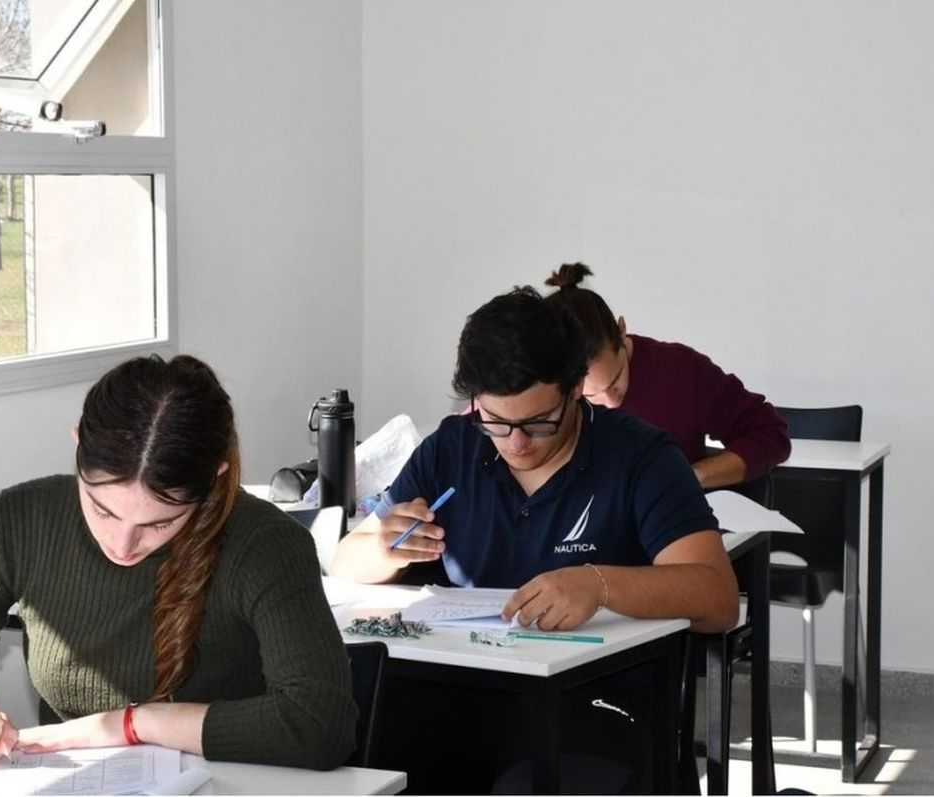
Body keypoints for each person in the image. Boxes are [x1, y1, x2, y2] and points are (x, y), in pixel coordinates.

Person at [0, 355, 356, 772]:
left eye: (160, 523)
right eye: (102, 510)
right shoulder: (21, 520)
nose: (122, 544)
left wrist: (131, 724)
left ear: (216, 476)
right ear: (78, 443)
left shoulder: (266, 546)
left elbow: (320, 726)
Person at [331, 286, 739, 792]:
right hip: (462, 692)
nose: (517, 443)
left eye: (539, 423)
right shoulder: (452, 449)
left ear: (576, 389)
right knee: (361, 763)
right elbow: (344, 562)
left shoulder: (640, 458)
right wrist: (383, 548)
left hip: (597, 707)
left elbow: (717, 598)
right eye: (497, 422)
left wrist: (600, 585)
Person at [543, 261, 790, 490]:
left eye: (615, 381)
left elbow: (770, 434)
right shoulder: (545, 396)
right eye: (590, 396)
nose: (612, 402)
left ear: (621, 330)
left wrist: (692, 476)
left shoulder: (680, 369)